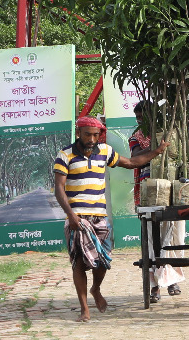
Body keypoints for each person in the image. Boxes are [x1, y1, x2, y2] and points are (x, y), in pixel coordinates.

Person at [53, 115, 167, 322]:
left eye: (95, 135)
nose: (92, 139)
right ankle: (84, 309)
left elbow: (132, 162)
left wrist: (157, 152)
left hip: (100, 217)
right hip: (77, 218)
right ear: (79, 133)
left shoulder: (105, 152)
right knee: (79, 263)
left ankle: (96, 289)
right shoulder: (65, 155)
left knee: (103, 262)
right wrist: (71, 216)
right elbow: (59, 189)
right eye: (88, 134)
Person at [129, 101, 185, 302]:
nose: (140, 122)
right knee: (153, 241)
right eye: (138, 119)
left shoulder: (168, 133)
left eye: (144, 118)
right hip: (150, 192)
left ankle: (171, 280)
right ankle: (155, 286)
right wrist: (156, 150)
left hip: (171, 190)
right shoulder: (136, 137)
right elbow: (135, 156)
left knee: (174, 236)